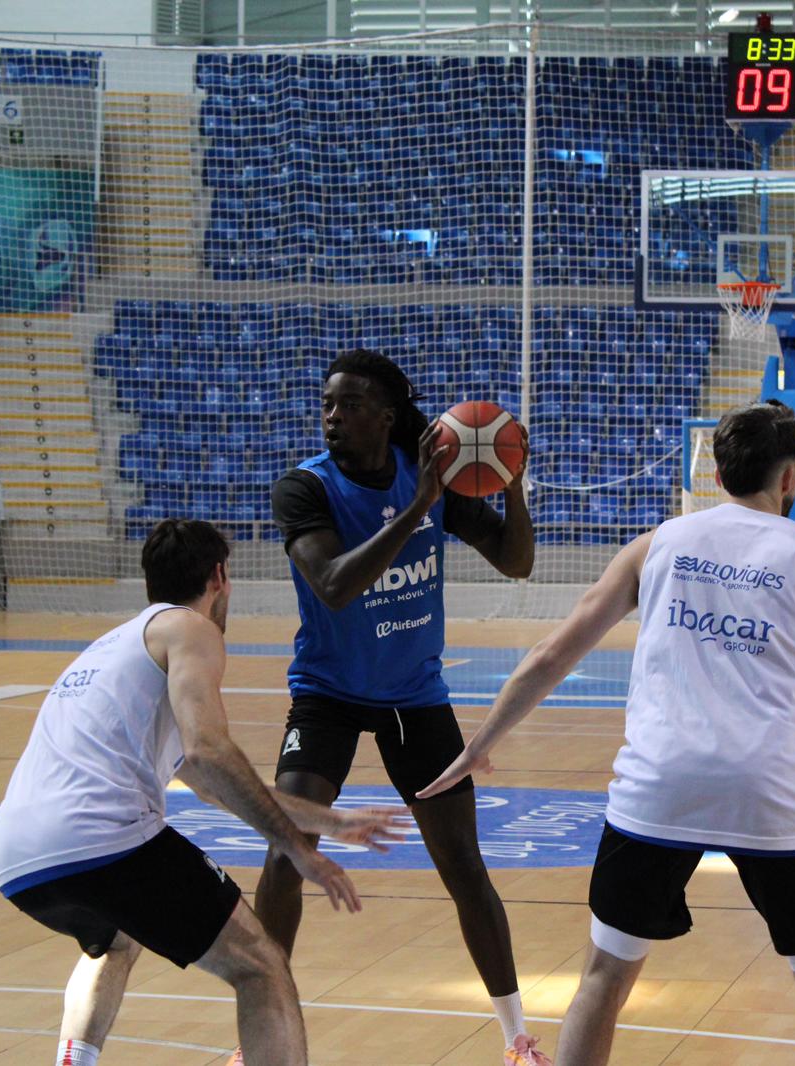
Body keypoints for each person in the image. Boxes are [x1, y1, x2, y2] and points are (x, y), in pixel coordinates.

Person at [420, 401, 795, 1066]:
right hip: (772, 792)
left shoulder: (656, 546)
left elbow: (552, 655)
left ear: (718, 475)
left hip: (658, 786)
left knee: (603, 979)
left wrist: (478, 745)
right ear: (789, 477)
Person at [0, 518, 402, 1066]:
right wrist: (298, 849)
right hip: (101, 838)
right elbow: (209, 750)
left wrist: (329, 822)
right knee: (261, 965)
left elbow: (208, 783)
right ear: (219, 578)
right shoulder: (191, 628)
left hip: (16, 856)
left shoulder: (111, 646)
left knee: (115, 940)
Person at [257, 349, 550, 1065]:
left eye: (350, 404)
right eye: (327, 404)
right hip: (326, 693)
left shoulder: (434, 480)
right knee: (287, 851)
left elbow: (516, 562)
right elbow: (333, 584)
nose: (332, 416)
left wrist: (511, 483)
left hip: (414, 697)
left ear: (387, 418)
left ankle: (516, 1038)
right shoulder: (304, 488)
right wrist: (418, 507)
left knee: (463, 865)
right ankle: (258, 1036)